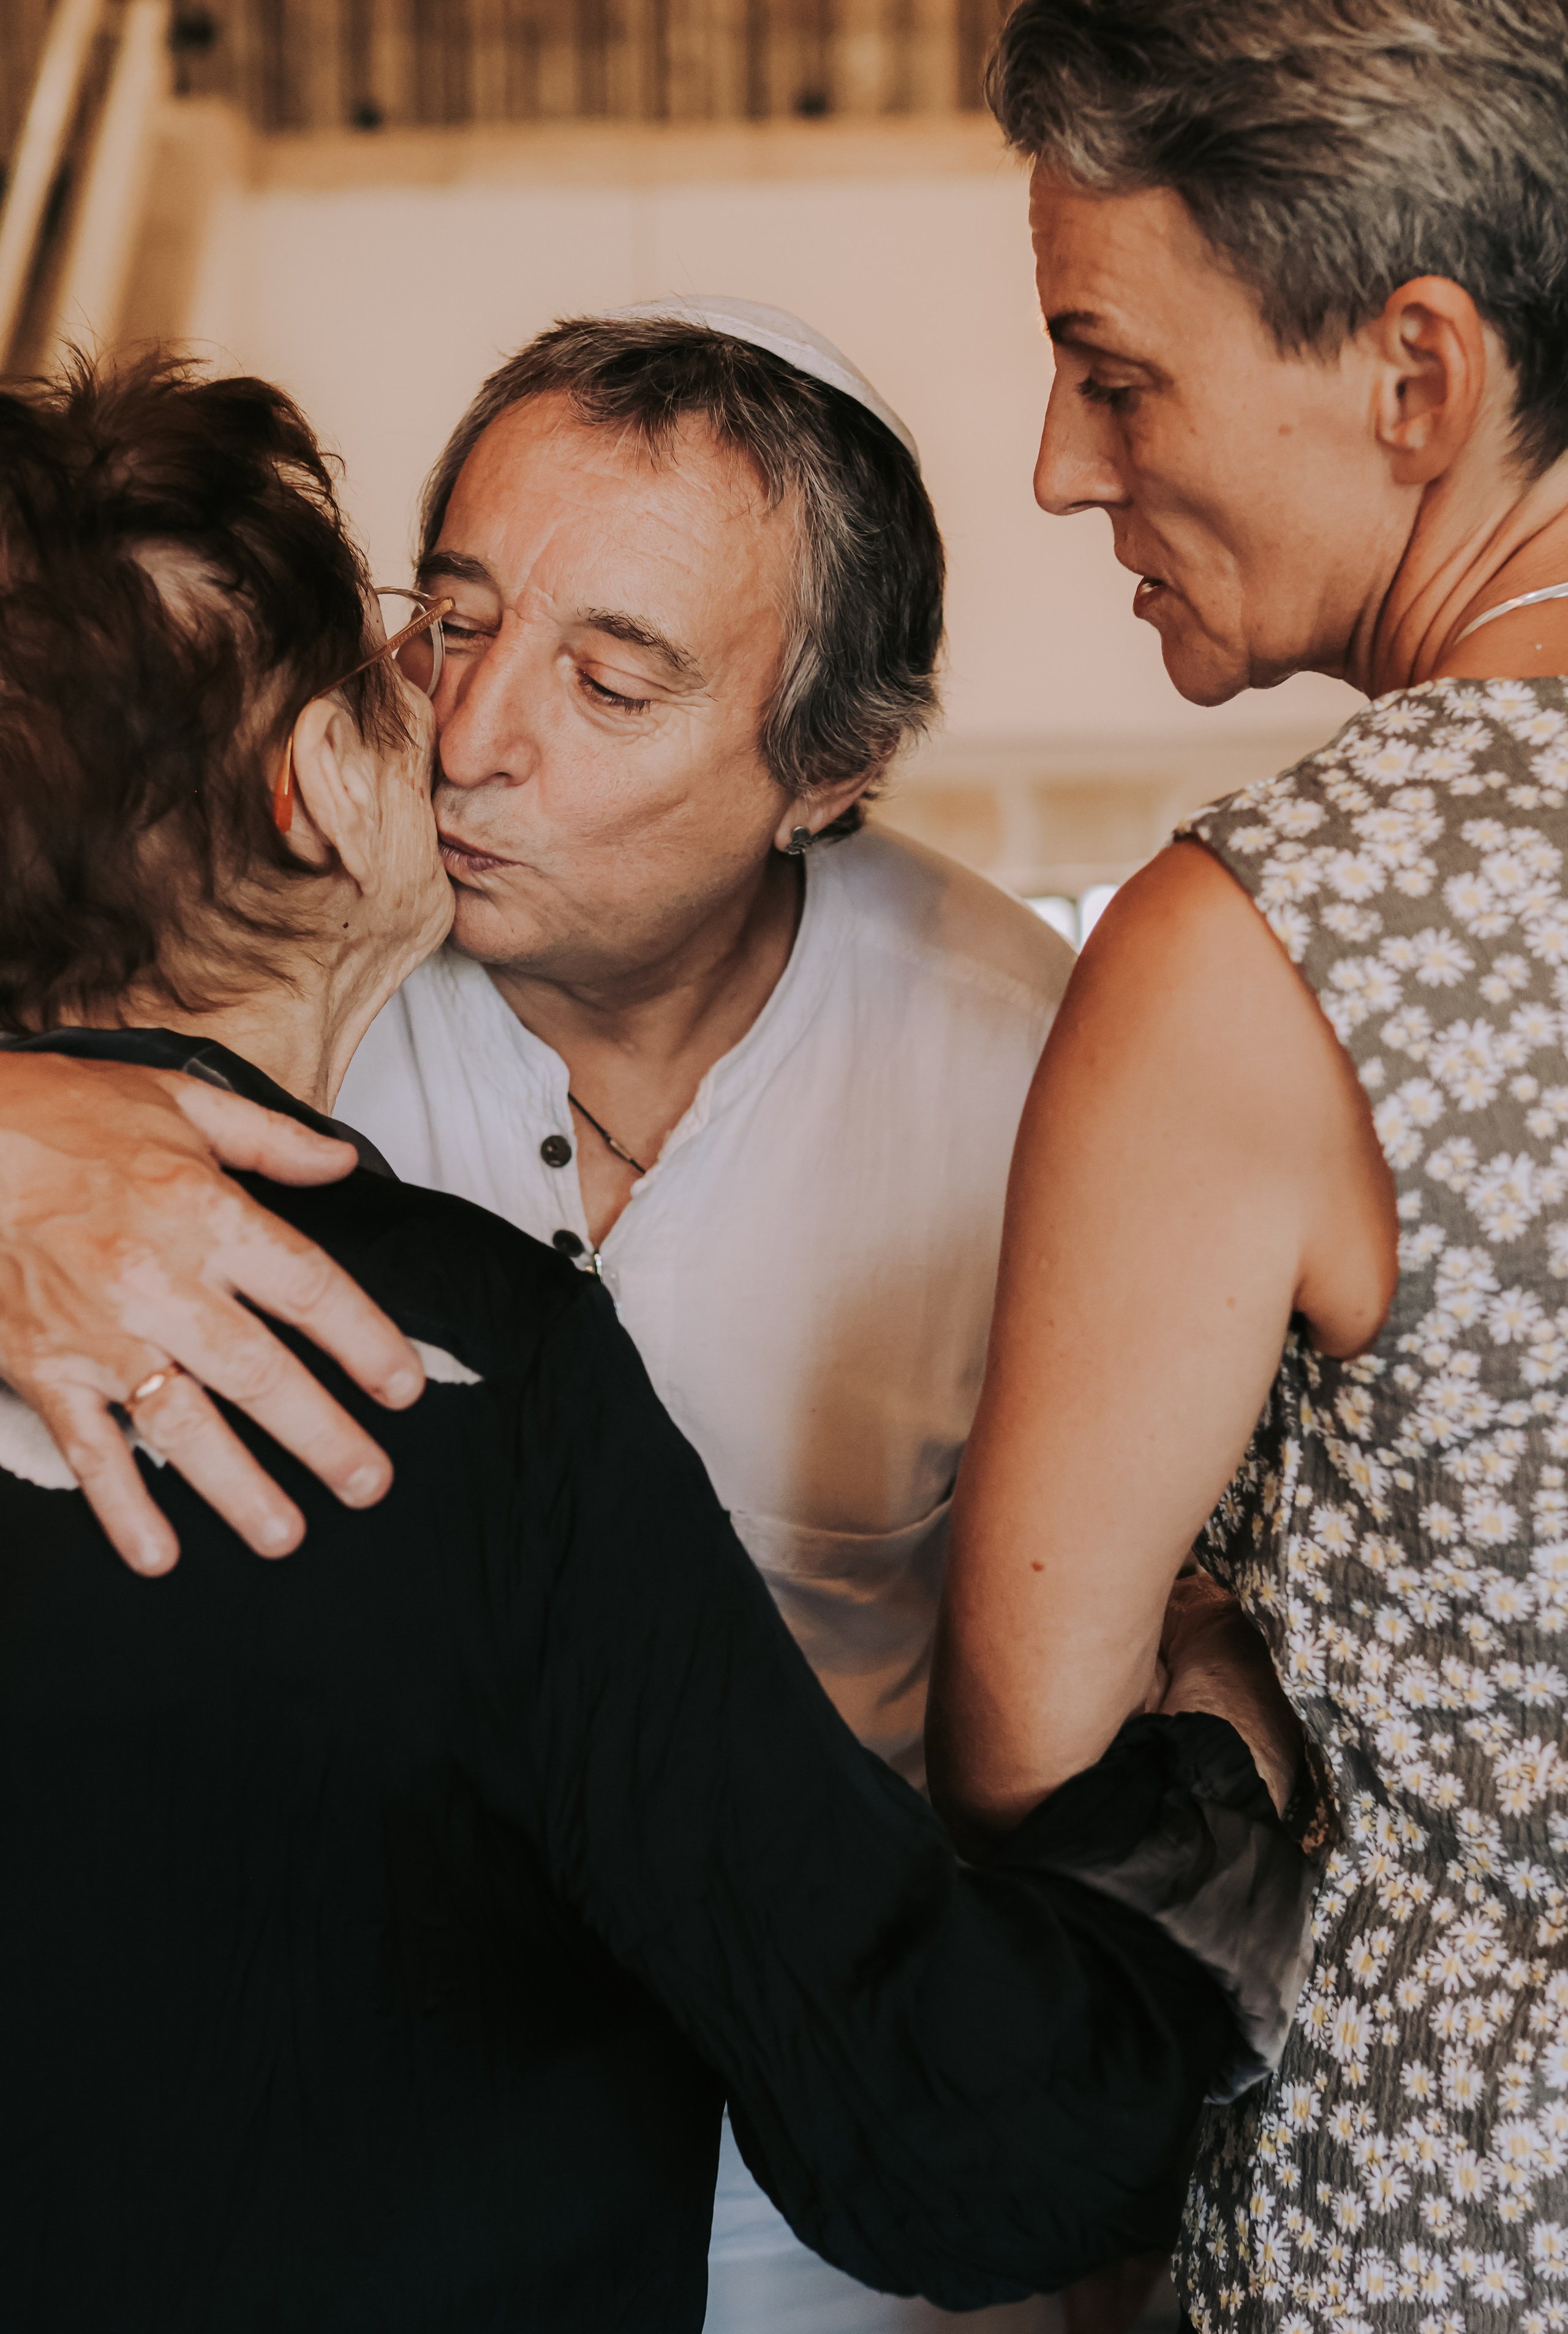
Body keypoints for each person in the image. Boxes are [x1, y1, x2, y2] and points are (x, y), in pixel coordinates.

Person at [0, 353, 1309, 2330]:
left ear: (828, 772)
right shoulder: (480, 1368)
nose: (467, 736)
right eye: (431, 637)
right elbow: (962, 2132)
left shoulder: (1038, 1070)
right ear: (315, 785)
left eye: (613, 683)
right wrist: (1212, 1806)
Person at [925, 0, 1568, 2330]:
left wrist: (1214, 1619)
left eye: (1114, 377)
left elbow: (1028, 1739)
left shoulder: (1270, 945)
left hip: (1451, 2223)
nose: (1057, 469)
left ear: (1419, 377)